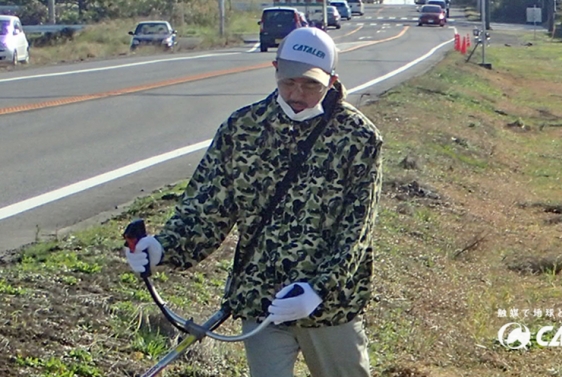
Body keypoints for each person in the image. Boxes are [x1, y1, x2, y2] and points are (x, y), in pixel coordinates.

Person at [123, 26, 383, 377]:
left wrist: (319, 288)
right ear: (275, 69)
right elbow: (207, 206)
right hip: (262, 300)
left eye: (311, 85)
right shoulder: (242, 129)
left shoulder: (359, 139)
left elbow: (357, 230)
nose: (297, 94)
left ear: (332, 80)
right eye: (289, 82)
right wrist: (163, 247)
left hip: (330, 308)